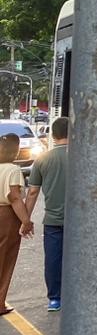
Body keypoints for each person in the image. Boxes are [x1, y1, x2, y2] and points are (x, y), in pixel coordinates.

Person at [26, 116, 69, 312]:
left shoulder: (43, 159)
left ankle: (55, 298)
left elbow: (33, 192)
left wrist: (25, 220)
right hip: (79, 221)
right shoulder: (84, 159)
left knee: (53, 259)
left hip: (53, 221)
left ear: (53, 135)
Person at [1, 132, 36, 316]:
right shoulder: (12, 170)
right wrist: (26, 221)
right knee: (5, 259)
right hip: (6, 217)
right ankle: (0, 302)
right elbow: (14, 197)